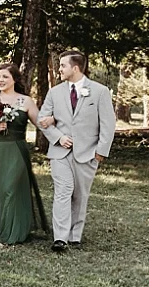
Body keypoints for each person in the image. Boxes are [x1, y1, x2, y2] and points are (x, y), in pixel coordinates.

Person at [38, 51, 116, 252]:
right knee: (63, 191)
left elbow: (108, 124)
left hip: (88, 153)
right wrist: (58, 137)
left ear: (75, 68)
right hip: (59, 153)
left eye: (63, 65)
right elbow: (42, 120)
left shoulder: (99, 91)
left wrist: (101, 152)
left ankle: (75, 235)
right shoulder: (54, 92)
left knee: (80, 195)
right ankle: (60, 238)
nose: (59, 69)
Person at [0, 64, 49, 245]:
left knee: (10, 189)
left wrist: (55, 118)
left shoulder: (26, 101)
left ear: (15, 79)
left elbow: (41, 123)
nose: (1, 80)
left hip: (15, 151)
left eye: (5, 76)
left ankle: (12, 232)